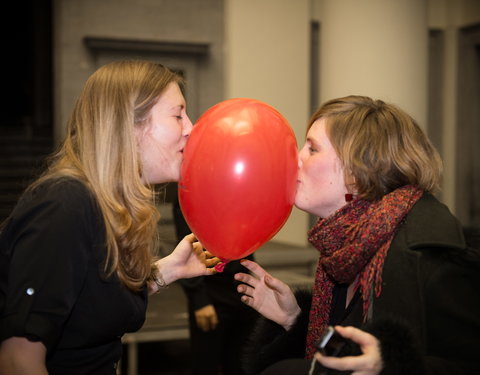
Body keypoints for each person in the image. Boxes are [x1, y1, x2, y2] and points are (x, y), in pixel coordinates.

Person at [0, 60, 218, 375]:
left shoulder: (104, 206)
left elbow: (89, 301)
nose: (192, 128)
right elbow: (17, 361)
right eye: (177, 114)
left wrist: (168, 270)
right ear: (128, 124)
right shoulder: (65, 206)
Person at [235, 95, 480, 375]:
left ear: (358, 171)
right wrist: (295, 320)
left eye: (312, 149)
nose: (295, 158)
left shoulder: (432, 257)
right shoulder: (349, 246)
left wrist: (389, 367)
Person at [172, 196, 258, 375]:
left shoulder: (241, 186)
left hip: (242, 290)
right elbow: (188, 244)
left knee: (240, 365)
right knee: (205, 364)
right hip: (211, 293)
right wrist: (199, 299)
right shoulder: (192, 189)